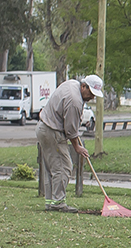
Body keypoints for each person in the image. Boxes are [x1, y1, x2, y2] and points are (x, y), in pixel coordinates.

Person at [37, 74, 100, 211]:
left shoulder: (72, 84)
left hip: (43, 127)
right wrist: (77, 147)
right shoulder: (74, 101)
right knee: (64, 166)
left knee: (52, 168)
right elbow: (70, 129)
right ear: (83, 86)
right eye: (90, 93)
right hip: (52, 131)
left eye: (94, 95)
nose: (92, 97)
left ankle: (51, 202)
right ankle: (58, 203)